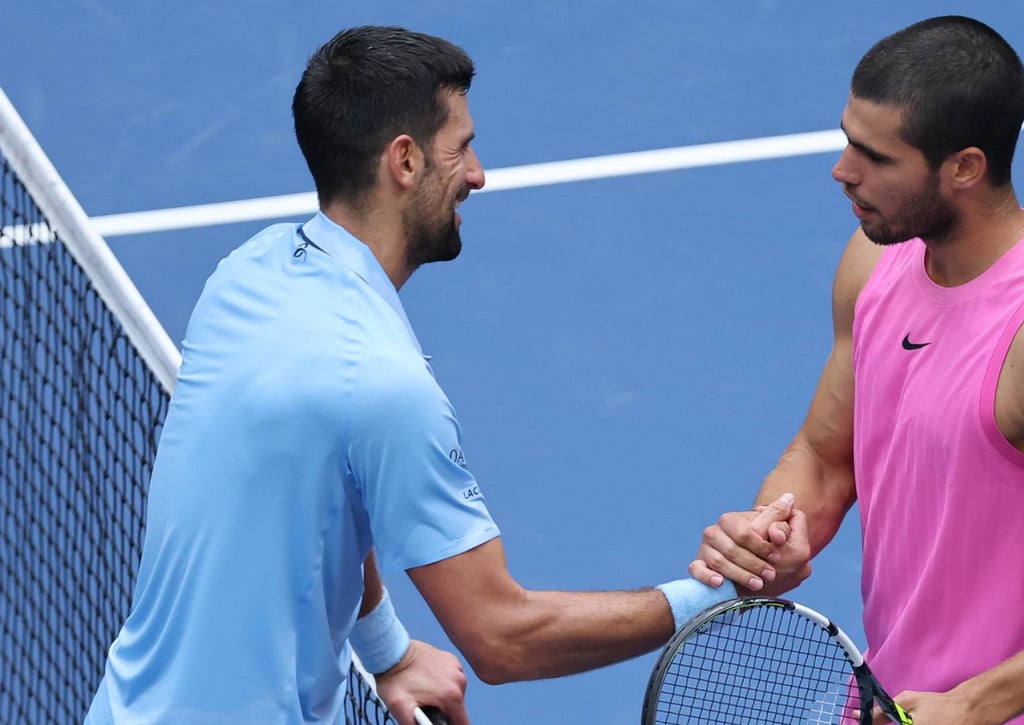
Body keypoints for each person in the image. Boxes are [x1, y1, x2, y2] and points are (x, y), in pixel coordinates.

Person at [84, 25, 732, 725]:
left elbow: (323, 485)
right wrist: (711, 599)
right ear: (404, 161)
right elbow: (502, 637)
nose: (478, 173)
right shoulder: (384, 384)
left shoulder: (249, 272)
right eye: (461, 147)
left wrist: (388, 650)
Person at [689, 16, 1024, 725]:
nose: (842, 171)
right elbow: (824, 460)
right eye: (846, 140)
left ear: (965, 167)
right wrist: (776, 530)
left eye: (875, 157)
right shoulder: (874, 263)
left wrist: (975, 703)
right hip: (897, 708)